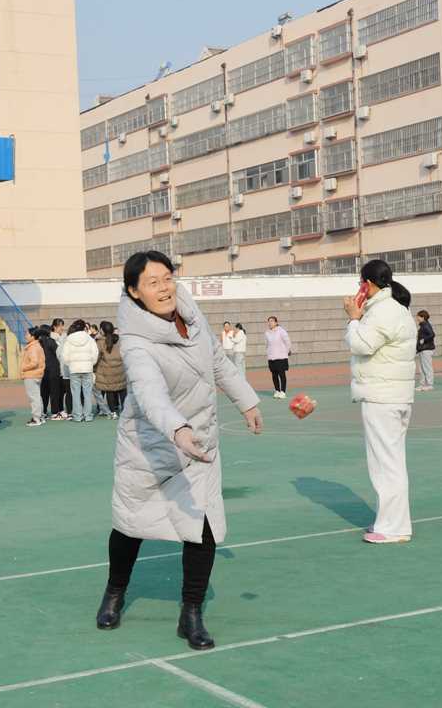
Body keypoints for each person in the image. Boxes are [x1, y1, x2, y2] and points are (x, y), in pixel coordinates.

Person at [95, 251, 263, 650]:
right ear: (134, 292)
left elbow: (217, 362)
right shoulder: (136, 343)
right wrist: (177, 428)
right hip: (151, 447)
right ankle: (115, 591)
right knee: (130, 527)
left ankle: (191, 614)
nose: (164, 288)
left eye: (167, 278)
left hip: (199, 443)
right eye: (152, 282)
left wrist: (247, 401)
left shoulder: (191, 315)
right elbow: (150, 393)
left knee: (203, 528)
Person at [344, 259, 416, 545]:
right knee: (391, 462)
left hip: (382, 397)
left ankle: (394, 527)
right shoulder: (395, 309)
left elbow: (361, 344)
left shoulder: (384, 311)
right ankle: (390, 521)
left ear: (367, 284)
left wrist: (353, 318)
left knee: (385, 465)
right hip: (394, 395)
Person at [61, 319, 99, 422]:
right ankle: (88, 415)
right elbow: (95, 353)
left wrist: (70, 364)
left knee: (75, 394)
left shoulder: (69, 339)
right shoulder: (89, 339)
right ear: (84, 327)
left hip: (74, 369)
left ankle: (77, 416)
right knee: (87, 393)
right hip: (87, 368)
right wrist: (91, 363)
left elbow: (64, 356)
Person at [94, 320, 126, 419]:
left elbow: (96, 357)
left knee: (109, 391)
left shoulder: (100, 342)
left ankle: (113, 412)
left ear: (102, 330)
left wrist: (94, 368)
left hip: (107, 371)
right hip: (120, 369)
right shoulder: (119, 340)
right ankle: (125, 411)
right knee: (122, 390)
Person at [38, 325, 65, 420]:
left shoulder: (38, 343)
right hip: (53, 370)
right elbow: (59, 354)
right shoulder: (51, 342)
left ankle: (44, 411)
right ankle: (54, 412)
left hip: (42, 370)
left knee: (44, 393)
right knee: (54, 392)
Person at [20, 325, 46, 426]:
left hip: (31, 375)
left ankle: (36, 418)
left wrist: (23, 368)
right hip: (36, 374)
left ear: (33, 336)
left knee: (33, 398)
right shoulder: (37, 346)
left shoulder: (33, 347)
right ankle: (40, 416)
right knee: (37, 397)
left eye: (27, 334)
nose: (25, 336)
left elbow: (34, 362)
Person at [265, 316, 291, 399]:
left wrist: (286, 351)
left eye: (272, 321)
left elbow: (287, 342)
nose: (270, 323)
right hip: (271, 357)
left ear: (276, 322)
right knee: (274, 375)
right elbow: (267, 345)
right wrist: (268, 353)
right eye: (269, 321)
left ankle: (283, 391)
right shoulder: (267, 333)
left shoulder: (281, 331)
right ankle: (277, 390)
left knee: (282, 374)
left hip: (281, 357)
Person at [416, 310, 436, 392]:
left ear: (423, 317)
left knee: (427, 367)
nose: (417, 318)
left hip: (427, 349)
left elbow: (432, 334)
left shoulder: (425, 325)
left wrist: (423, 340)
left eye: (418, 316)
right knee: (422, 368)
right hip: (422, 349)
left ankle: (429, 384)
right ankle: (422, 384)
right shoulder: (423, 325)